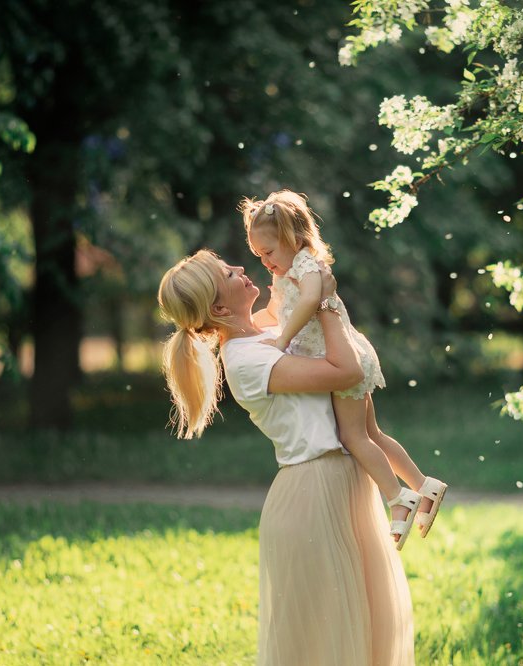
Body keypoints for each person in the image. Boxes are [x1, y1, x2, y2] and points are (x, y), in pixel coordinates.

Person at [157, 249, 414, 664]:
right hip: (313, 493)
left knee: (363, 629)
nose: (242, 268)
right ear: (220, 306)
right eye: (229, 272)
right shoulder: (245, 361)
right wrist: (326, 302)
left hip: (345, 482)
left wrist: (311, 282)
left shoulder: (265, 333)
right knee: (325, 639)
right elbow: (345, 373)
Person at [241, 190, 447, 550]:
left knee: (355, 437)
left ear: (294, 239)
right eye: (259, 256)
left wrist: (281, 341)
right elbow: (278, 312)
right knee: (373, 433)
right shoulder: (286, 273)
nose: (265, 263)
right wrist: (249, 328)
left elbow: (309, 302)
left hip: (341, 360)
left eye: (269, 252)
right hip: (346, 354)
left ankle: (397, 498)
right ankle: (424, 486)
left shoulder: (307, 265)